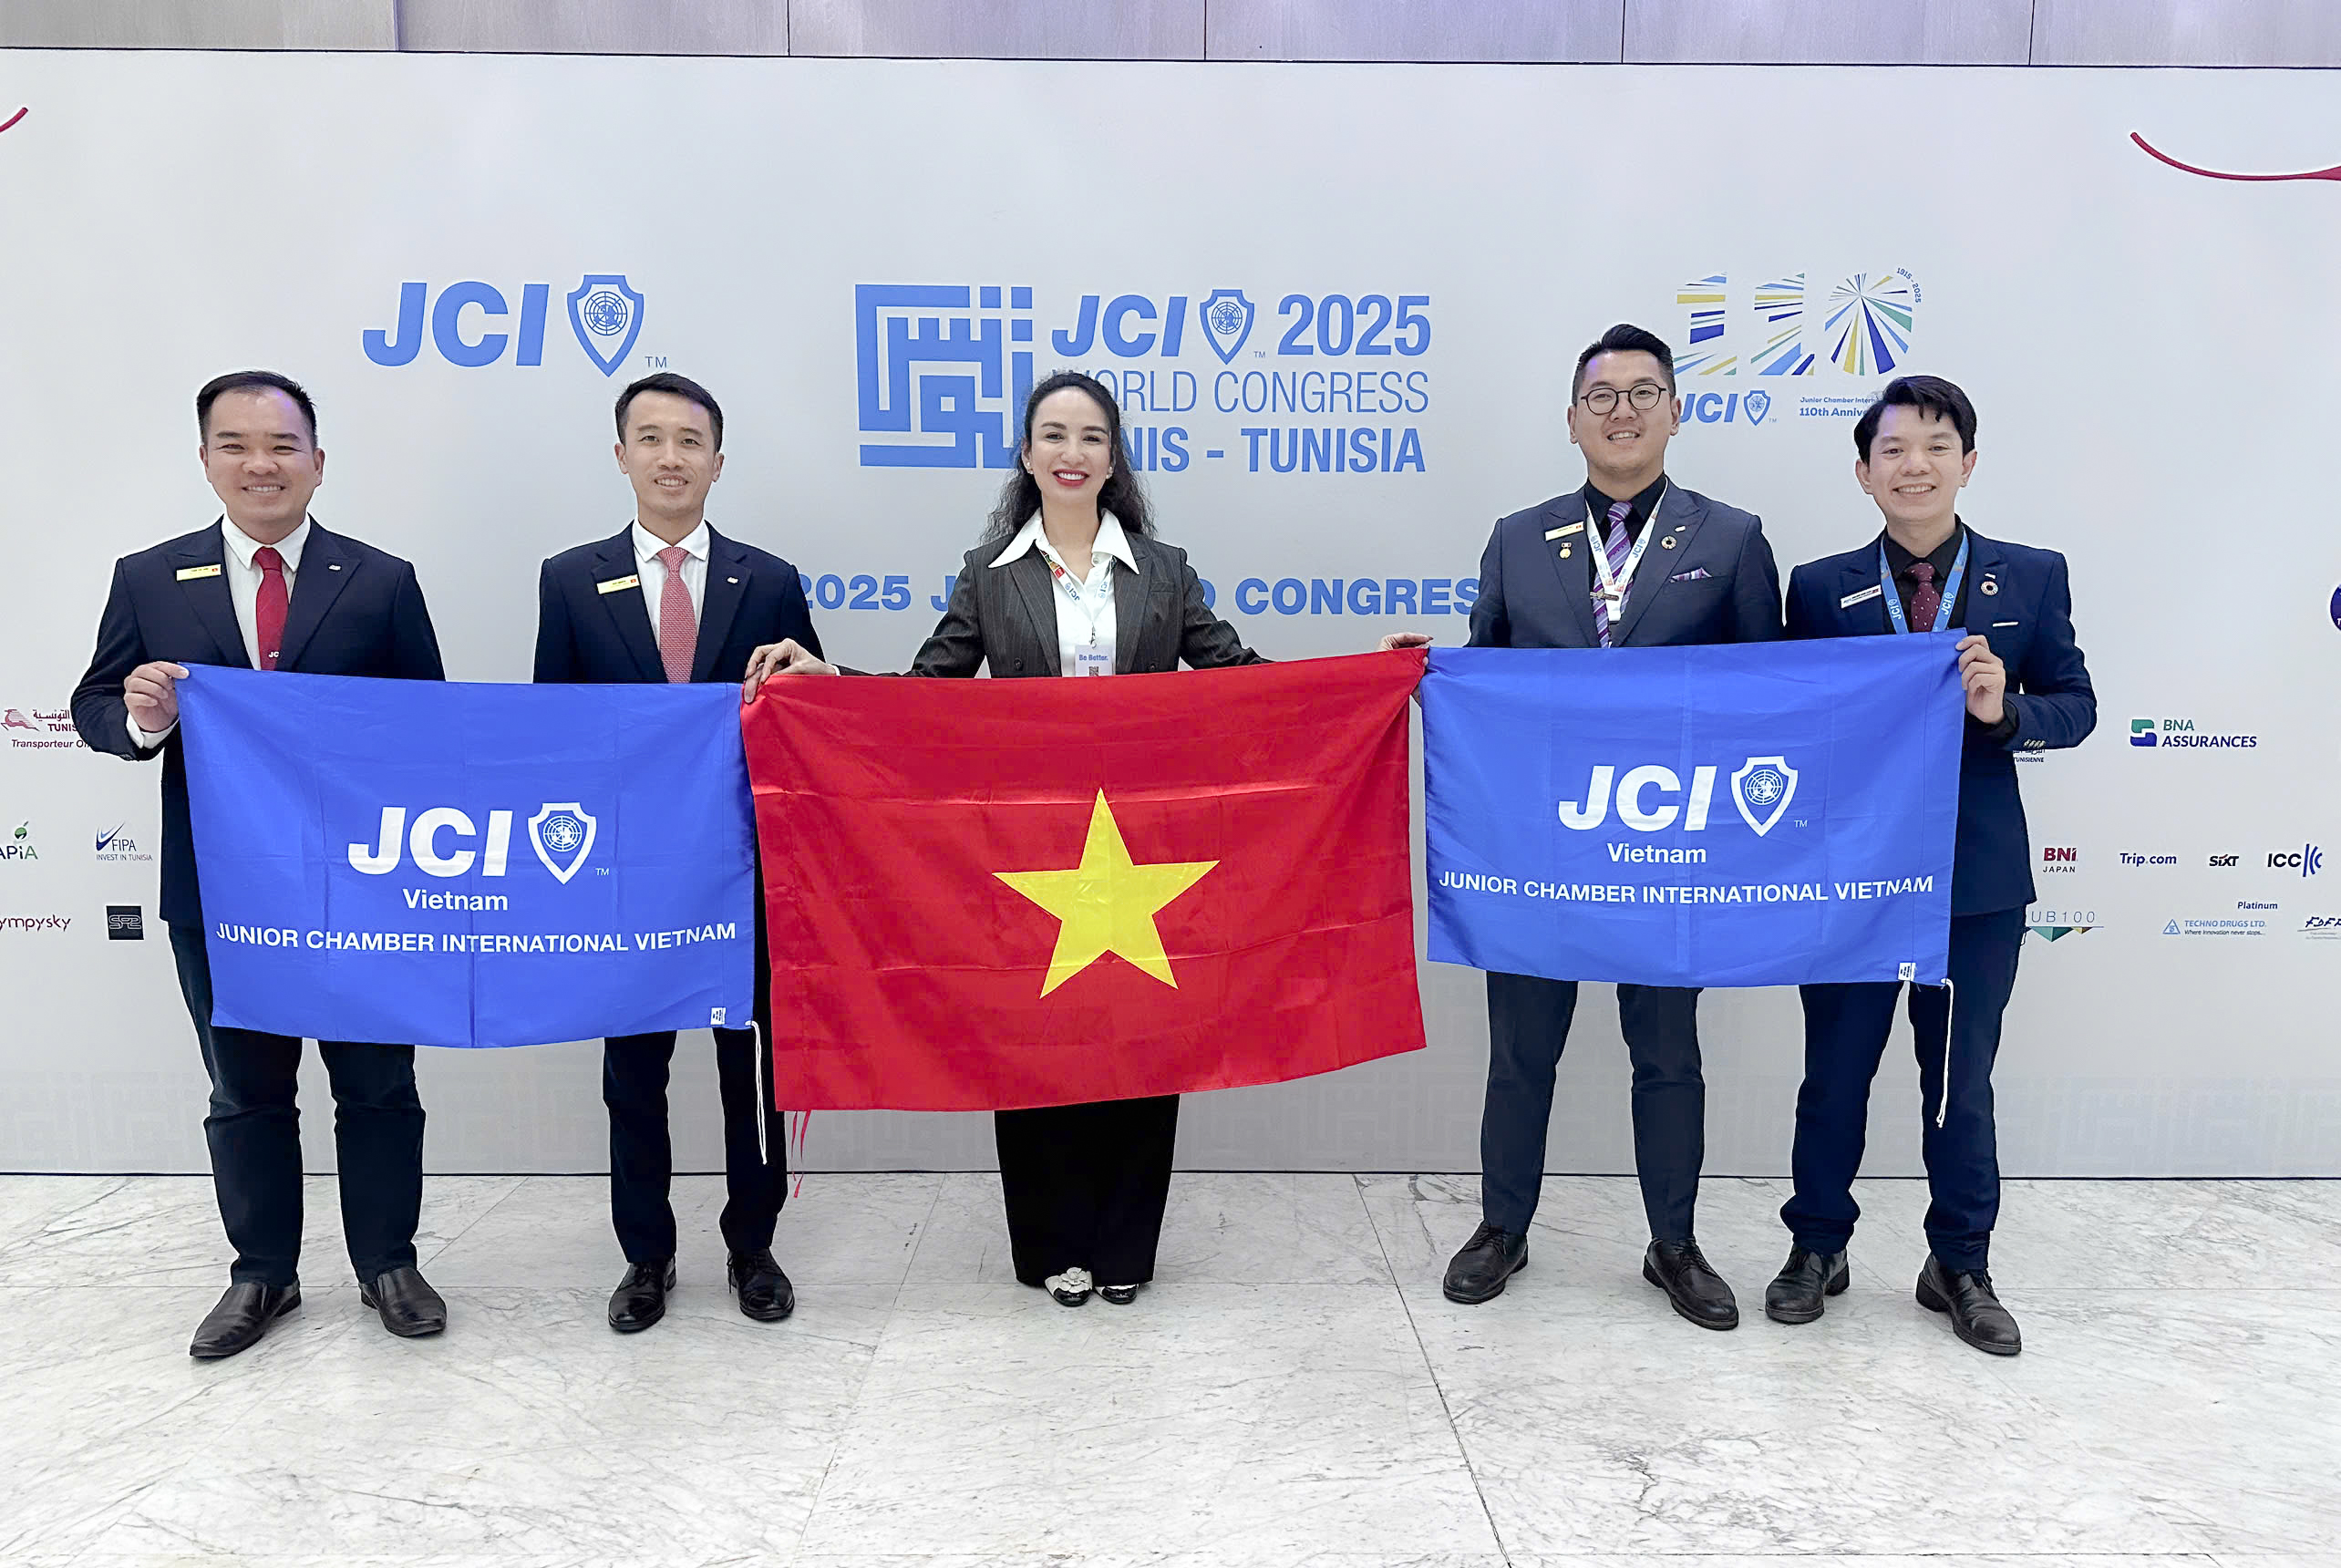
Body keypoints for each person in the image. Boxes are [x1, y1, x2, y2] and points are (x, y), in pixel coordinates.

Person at [744, 370, 1421, 1308]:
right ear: (1027, 455)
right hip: (1028, 853)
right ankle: (1051, 1245)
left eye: (1091, 436)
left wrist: (1364, 682)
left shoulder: (1165, 569)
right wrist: (825, 681)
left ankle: (1126, 1247)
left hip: (1142, 848)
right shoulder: (990, 572)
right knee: (1031, 1039)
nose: (1072, 452)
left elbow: (1240, 679)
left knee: (1148, 1037)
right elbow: (926, 694)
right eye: (1054, 435)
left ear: (1113, 459)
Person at [72, 371, 448, 1358]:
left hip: (364, 885)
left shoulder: (381, 580)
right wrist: (142, 717)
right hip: (219, 889)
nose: (261, 464)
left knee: (377, 1084)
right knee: (245, 1090)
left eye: (282, 445)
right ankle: (262, 1273)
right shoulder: (150, 578)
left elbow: (430, 724)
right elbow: (94, 705)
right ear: (206, 461)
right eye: (235, 445)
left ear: (318, 462)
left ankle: (388, 1262)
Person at [1446, 324, 1783, 1327]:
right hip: (1542, 849)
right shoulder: (1518, 538)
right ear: (1572, 420)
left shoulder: (1731, 539)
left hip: (1667, 846)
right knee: (1520, 1052)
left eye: (1643, 393)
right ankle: (1502, 1226)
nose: (1622, 411)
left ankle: (1674, 1243)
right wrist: (1429, 675)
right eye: (1602, 396)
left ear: (1676, 412)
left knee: (1668, 1053)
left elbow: (1769, 695)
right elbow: (1484, 682)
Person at [1767, 375, 2094, 1356]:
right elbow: (1786, 715)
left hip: (1974, 879)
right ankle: (1817, 1245)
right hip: (1850, 876)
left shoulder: (2029, 575)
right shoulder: (1819, 587)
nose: (1915, 465)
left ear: (1968, 463)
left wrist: (2004, 710)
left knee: (1959, 1083)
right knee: (1834, 1075)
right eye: (1894, 450)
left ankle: (1960, 1262)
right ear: (1864, 473)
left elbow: (2076, 704)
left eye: (1936, 447)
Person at [534, 372, 820, 1334]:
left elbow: (807, 718)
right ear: (621, 455)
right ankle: (645, 1254)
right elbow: (555, 731)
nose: (670, 457)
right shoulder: (569, 579)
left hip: (742, 871)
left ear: (717, 462)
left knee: (751, 1070)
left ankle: (753, 1243)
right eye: (650, 439)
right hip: (623, 874)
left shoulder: (768, 579)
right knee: (634, 1073)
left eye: (689, 441)